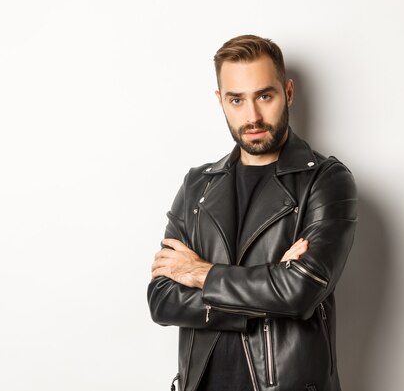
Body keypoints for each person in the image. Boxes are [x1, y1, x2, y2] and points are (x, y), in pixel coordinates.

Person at [148, 35, 357, 391]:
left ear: (287, 93)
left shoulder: (326, 181)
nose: (253, 116)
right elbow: (162, 299)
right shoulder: (199, 185)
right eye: (236, 100)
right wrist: (270, 284)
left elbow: (300, 291)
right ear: (221, 102)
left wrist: (201, 273)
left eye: (264, 95)